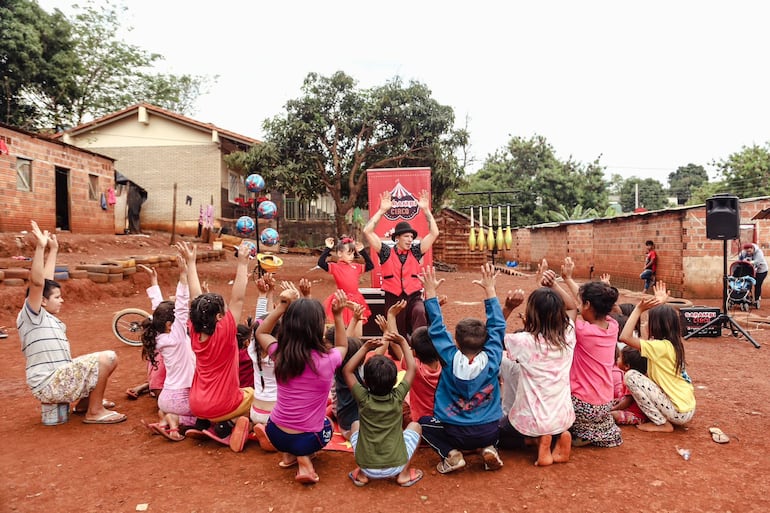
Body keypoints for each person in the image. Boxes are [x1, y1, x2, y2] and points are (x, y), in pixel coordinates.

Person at [18, 221, 125, 424]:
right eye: (57, 298)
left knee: (110, 360)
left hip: (58, 378)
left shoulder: (48, 317)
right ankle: (94, 411)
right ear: (42, 300)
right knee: (107, 358)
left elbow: (46, 282)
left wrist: (54, 249)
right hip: (48, 384)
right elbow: (38, 283)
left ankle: (84, 403)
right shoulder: (32, 315)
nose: (61, 300)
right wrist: (40, 247)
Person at [418, 263, 506, 474]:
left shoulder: (449, 358)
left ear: (455, 342)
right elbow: (498, 327)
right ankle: (489, 447)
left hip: (453, 431)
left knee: (424, 424)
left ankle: (451, 455)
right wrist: (490, 290)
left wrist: (430, 292)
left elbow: (436, 329)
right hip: (488, 429)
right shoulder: (493, 358)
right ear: (485, 342)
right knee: (500, 422)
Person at [255, 289, 349, 485]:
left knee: (291, 425)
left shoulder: (279, 353)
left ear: (288, 326)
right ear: (319, 328)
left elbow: (261, 332)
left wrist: (282, 305)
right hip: (309, 438)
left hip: (275, 433)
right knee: (327, 424)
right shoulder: (328, 359)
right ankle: (304, 460)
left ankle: (289, 455)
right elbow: (343, 346)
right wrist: (338, 315)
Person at [498, 272, 577, 466]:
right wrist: (554, 286)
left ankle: (536, 440)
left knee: (497, 433)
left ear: (531, 314)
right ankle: (557, 438)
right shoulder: (568, 335)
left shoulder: (524, 341)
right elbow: (573, 306)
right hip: (563, 418)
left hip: (530, 420)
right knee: (553, 424)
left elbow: (491, 336)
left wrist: (508, 308)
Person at [186, 240, 253, 452]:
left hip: (196, 403)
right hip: (222, 404)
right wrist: (243, 263)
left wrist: (190, 263)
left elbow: (195, 297)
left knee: (216, 405)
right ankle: (227, 425)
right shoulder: (225, 333)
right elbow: (239, 297)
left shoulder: (194, 331)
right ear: (219, 316)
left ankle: (203, 422)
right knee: (255, 396)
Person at [344, 332, 424, 488]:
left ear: (365, 382)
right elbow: (412, 369)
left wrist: (365, 348)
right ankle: (404, 474)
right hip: (396, 465)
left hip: (367, 466)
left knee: (355, 424)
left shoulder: (363, 398)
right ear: (395, 381)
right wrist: (402, 342)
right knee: (416, 426)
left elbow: (347, 370)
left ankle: (361, 474)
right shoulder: (398, 396)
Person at [618, 281, 696, 432]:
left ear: (656, 326)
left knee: (631, 376)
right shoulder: (671, 344)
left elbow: (625, 337)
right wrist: (660, 303)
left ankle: (661, 423)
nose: (645, 324)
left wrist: (638, 310)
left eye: (648, 321)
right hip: (686, 407)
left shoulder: (659, 347)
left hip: (678, 412)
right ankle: (662, 419)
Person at [561, 257, 622, 448]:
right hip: (605, 402)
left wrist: (557, 283)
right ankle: (592, 431)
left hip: (582, 404)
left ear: (587, 305)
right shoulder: (612, 326)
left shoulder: (582, 330)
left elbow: (573, 307)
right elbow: (582, 304)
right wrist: (568, 279)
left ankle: (578, 432)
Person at [363, 189, 439, 339]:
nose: (410, 239)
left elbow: (434, 233)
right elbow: (367, 231)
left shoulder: (416, 252)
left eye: (412, 236)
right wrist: (382, 210)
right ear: (397, 238)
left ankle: (421, 348)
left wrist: (425, 210)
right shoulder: (385, 252)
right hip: (393, 299)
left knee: (420, 312)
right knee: (397, 334)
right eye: (406, 236)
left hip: (414, 296)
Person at [140, 245, 196, 441]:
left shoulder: (159, 335)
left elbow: (158, 308)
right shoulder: (178, 336)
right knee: (204, 415)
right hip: (181, 397)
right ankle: (175, 422)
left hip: (165, 397)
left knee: (170, 410)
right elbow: (181, 306)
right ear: (172, 324)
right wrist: (183, 276)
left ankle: (165, 420)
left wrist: (154, 282)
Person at [318, 236, 374, 324]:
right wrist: (328, 248)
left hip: (356, 299)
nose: (352, 256)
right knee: (342, 323)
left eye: (353, 254)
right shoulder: (335, 267)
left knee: (356, 322)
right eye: (349, 254)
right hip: (342, 299)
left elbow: (370, 265)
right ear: (340, 254)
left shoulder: (356, 266)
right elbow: (321, 263)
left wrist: (362, 251)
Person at [611, 346, 648, 426]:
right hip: (628, 409)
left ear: (627, 366)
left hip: (636, 415)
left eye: (619, 358)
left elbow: (628, 401)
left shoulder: (631, 379)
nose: (617, 359)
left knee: (612, 414)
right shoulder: (629, 376)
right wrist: (618, 400)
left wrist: (613, 408)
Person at [738, 242, 768, 308]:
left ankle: (757, 299)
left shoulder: (759, 252)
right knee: (747, 283)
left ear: (752, 248)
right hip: (751, 269)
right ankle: (747, 297)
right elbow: (740, 259)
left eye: (749, 251)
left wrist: (748, 262)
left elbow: (757, 261)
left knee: (757, 284)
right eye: (747, 251)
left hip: (761, 270)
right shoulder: (744, 252)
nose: (748, 253)